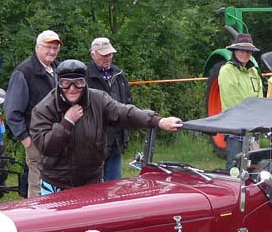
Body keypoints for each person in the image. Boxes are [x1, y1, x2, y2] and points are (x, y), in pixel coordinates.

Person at [30, 60, 182, 194]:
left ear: (85, 82)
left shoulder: (98, 99)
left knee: (94, 219)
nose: (72, 88)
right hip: (56, 183)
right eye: (66, 83)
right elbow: (46, 147)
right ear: (58, 83)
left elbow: (125, 113)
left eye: (78, 82)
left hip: (92, 180)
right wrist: (67, 122)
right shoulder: (44, 108)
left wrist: (158, 121)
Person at [4, 29, 62, 198]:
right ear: (37, 47)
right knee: (38, 186)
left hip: (58, 138)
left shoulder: (59, 70)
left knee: (58, 184)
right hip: (36, 140)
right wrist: (26, 139)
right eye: (48, 47)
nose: (52, 51)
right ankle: (37, 214)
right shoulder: (24, 72)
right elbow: (12, 111)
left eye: (55, 48)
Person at [86, 37, 132, 181]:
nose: (108, 58)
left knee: (115, 185)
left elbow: (127, 101)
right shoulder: (85, 76)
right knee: (93, 185)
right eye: (104, 54)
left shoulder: (119, 74)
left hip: (116, 139)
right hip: (94, 141)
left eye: (110, 54)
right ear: (93, 54)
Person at [218, 33, 264, 169]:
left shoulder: (253, 72)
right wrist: (250, 117)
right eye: (241, 50)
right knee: (234, 166)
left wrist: (258, 118)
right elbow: (232, 99)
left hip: (253, 128)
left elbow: (260, 96)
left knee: (254, 167)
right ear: (234, 51)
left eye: (248, 51)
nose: (245, 54)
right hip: (235, 127)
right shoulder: (227, 70)